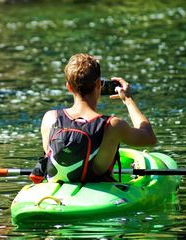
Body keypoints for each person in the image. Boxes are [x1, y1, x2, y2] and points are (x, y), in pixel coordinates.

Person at [31, 53, 156, 183]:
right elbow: (150, 138)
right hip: (100, 193)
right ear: (98, 84)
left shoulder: (50, 118)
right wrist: (128, 99)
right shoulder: (112, 125)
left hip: (55, 194)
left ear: (68, 87)